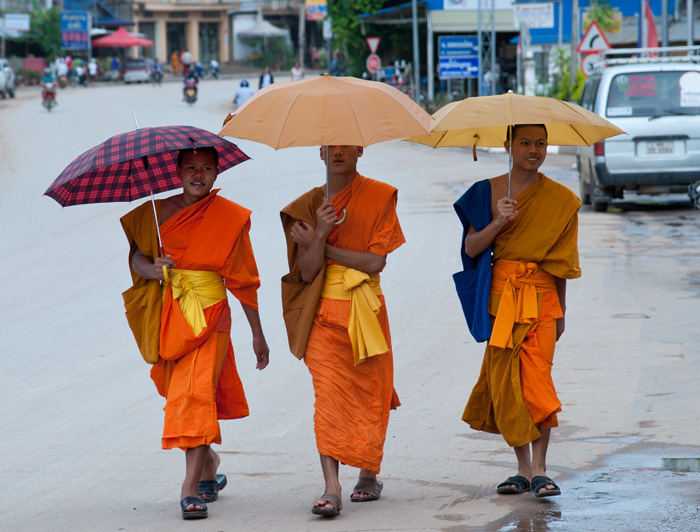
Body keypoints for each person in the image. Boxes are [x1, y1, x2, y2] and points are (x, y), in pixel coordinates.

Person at [120, 147, 270, 520]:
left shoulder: (229, 218)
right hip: (170, 316)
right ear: (178, 172)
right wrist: (153, 269)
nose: (198, 175)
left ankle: (189, 491)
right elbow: (137, 257)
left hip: (212, 316)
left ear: (217, 174)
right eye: (191, 168)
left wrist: (258, 334)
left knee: (195, 395)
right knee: (177, 393)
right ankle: (208, 463)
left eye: (206, 168)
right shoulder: (155, 215)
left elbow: (244, 281)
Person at [455, 124, 581, 499]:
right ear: (508, 145)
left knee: (537, 380)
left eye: (540, 143)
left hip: (543, 297)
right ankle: (522, 469)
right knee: (508, 381)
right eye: (525, 142)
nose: (534, 150)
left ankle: (541, 470)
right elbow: (473, 249)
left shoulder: (561, 199)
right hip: (502, 300)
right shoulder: (485, 193)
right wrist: (498, 221)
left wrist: (560, 313)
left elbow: (561, 263)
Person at [280, 145, 404, 517]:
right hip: (323, 315)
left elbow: (374, 261)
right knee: (330, 397)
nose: (339, 151)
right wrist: (319, 229)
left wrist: (324, 243)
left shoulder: (381, 195)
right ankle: (331, 487)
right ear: (320, 152)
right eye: (331, 145)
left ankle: (368, 472)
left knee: (371, 392)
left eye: (346, 143)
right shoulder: (305, 207)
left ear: (360, 149)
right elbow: (306, 272)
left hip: (366, 308)